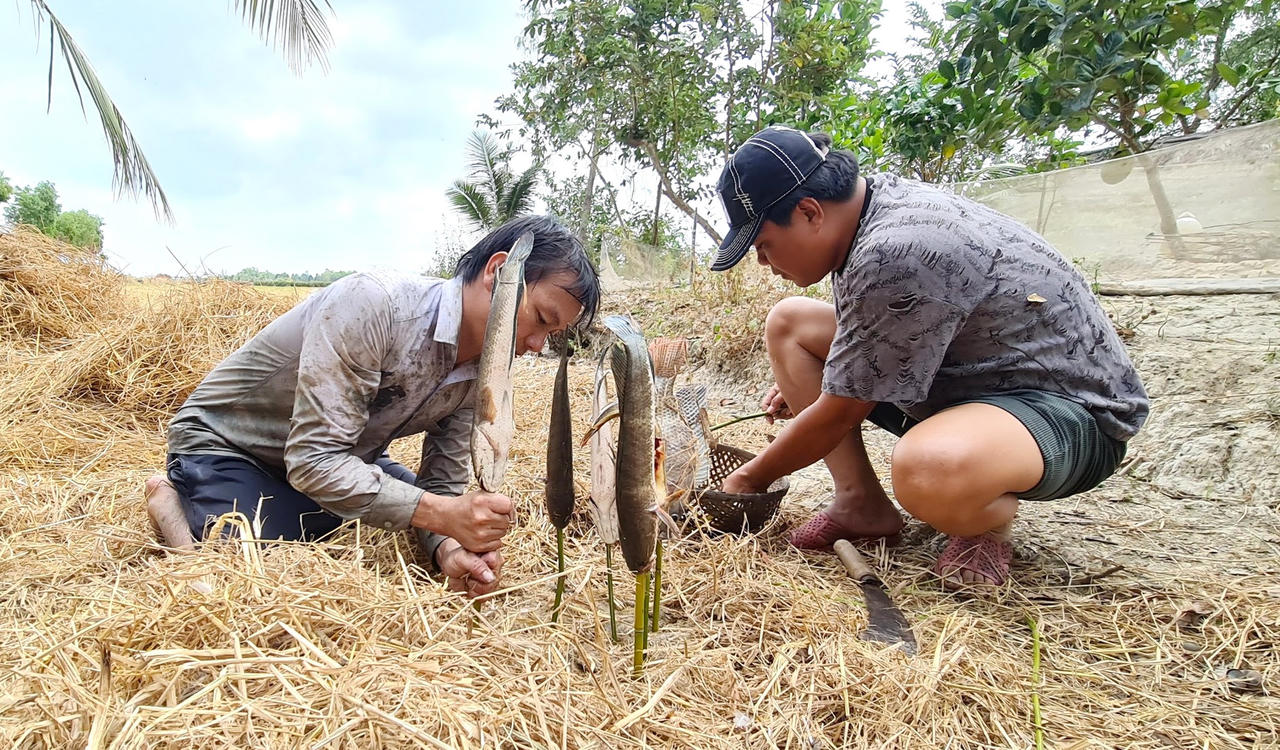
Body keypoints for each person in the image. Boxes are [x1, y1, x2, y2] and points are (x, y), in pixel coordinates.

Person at [710, 126, 1148, 587]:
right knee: (791, 324)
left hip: (1066, 415)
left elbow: (840, 412)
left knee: (927, 468)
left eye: (763, 246)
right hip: (973, 383)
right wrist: (836, 371)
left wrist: (747, 480)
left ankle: (982, 522)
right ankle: (860, 504)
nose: (763, 263)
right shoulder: (870, 208)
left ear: (809, 211)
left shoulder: (896, 251)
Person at [146, 215, 599, 597]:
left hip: (339, 460)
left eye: (552, 336)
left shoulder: (484, 372)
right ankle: (173, 505)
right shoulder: (374, 305)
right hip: (231, 446)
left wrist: (450, 548)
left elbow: (441, 482)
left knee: (395, 512)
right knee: (258, 558)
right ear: (497, 271)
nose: (539, 345)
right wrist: (442, 515)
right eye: (541, 319)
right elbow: (313, 461)